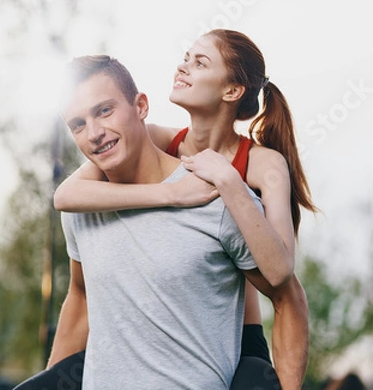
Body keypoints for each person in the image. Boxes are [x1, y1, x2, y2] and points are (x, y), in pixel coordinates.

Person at [51, 29, 315, 389]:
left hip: (237, 327)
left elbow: (282, 276)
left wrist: (229, 181)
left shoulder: (260, 168)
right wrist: (171, 195)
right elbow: (65, 197)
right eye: (78, 124)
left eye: (200, 62)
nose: (183, 67)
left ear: (232, 90)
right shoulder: (161, 139)